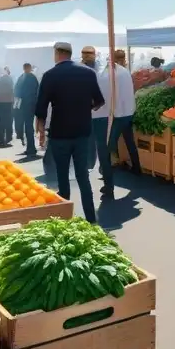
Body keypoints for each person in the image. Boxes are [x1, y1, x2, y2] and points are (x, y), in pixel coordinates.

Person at [35, 42, 104, 223]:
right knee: (83, 175)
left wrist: (41, 131)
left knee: (62, 176)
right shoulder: (88, 73)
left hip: (60, 133)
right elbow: (99, 101)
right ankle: (91, 218)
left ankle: (65, 220)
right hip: (82, 132)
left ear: (57, 54)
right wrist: (84, 108)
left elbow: (41, 106)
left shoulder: (50, 75)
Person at [94, 49, 141, 193]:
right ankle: (137, 167)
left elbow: (105, 96)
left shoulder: (108, 74)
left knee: (108, 147)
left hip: (116, 115)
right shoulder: (125, 72)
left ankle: (107, 178)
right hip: (128, 112)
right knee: (129, 141)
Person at [15, 62, 39, 159]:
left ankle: (31, 149)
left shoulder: (31, 78)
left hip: (29, 106)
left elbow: (36, 92)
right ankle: (29, 147)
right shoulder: (23, 77)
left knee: (28, 127)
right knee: (26, 127)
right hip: (24, 105)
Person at [0, 66, 15, 147]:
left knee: (2, 122)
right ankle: (9, 138)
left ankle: (1, 139)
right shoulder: (10, 80)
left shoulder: (0, 80)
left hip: (1, 103)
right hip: (9, 103)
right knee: (9, 121)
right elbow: (13, 91)